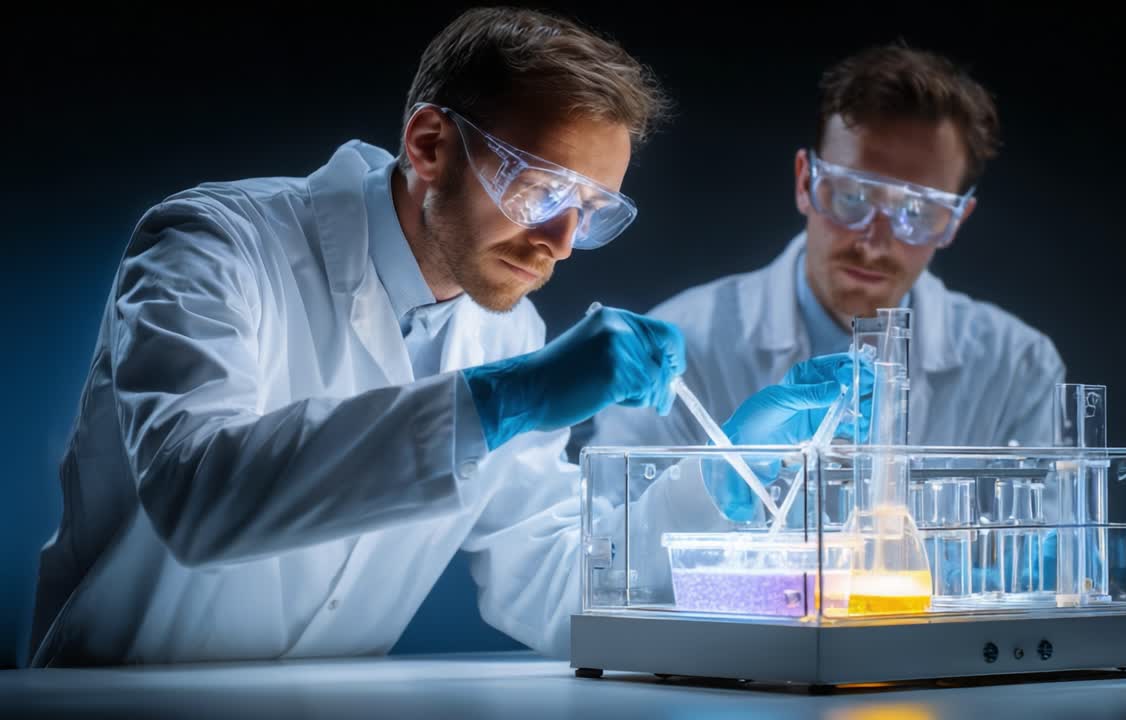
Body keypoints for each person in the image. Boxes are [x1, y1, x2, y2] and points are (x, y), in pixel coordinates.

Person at [28, 6, 849, 667]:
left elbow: (555, 583)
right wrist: (508, 398)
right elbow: (197, 495)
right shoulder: (215, 244)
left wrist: (714, 487)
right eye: (539, 190)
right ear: (429, 145)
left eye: (593, 212)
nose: (562, 242)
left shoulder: (502, 331)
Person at [590, 43, 1066, 458]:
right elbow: (615, 537)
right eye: (852, 198)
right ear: (805, 181)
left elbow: (1047, 557)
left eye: (917, 213)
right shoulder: (683, 347)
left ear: (955, 220)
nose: (875, 242)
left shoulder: (1018, 367)